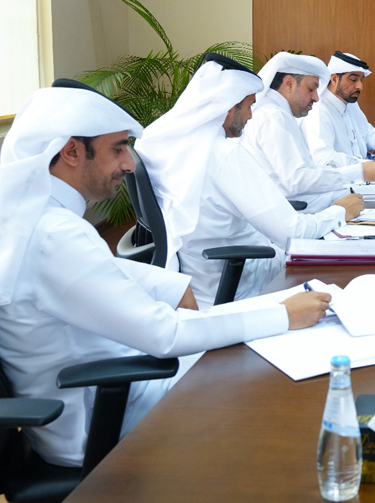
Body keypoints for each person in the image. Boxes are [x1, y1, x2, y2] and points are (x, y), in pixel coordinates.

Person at [0, 81, 331, 468]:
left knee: (255, 349)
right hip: (102, 417)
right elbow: (166, 333)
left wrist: (171, 283)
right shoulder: (54, 235)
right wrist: (283, 316)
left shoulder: (34, 219)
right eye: (118, 148)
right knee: (272, 380)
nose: (128, 163)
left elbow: (89, 272)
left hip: (114, 385)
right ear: (72, 151)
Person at [136, 54, 363, 308]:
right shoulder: (223, 155)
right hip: (249, 282)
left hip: (204, 280)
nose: (251, 116)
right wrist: (340, 211)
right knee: (353, 277)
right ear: (228, 107)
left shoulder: (182, 151)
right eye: (248, 107)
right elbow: (293, 234)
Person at [240, 51, 375, 212]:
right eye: (311, 89)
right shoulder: (274, 117)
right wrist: (359, 172)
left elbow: (307, 171)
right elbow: (297, 180)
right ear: (289, 84)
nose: (316, 98)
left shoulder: (280, 114)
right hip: (291, 214)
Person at [301, 51, 375, 167]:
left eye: (361, 80)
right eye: (353, 80)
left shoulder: (350, 105)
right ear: (334, 79)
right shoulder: (318, 111)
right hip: (340, 182)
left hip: (363, 179)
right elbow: (324, 158)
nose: (360, 86)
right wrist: (367, 166)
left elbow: (368, 133)